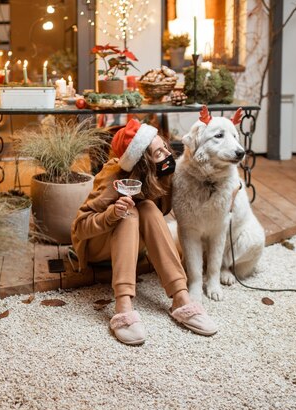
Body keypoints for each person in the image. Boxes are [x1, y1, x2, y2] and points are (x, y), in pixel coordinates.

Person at [70, 118, 218, 345]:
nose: (167, 156)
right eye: (158, 153)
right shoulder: (114, 178)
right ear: (142, 162)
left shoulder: (163, 175)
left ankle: (181, 298)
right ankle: (123, 306)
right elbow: (80, 227)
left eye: (164, 148)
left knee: (146, 207)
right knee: (128, 214)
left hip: (131, 247)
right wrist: (111, 214)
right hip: (98, 249)